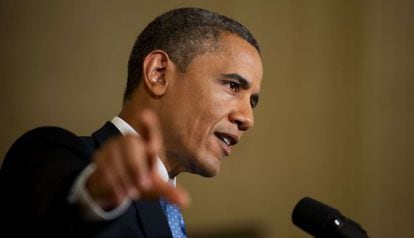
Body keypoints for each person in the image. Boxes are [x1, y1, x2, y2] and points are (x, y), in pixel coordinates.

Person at [0, 7, 263, 238]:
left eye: (252, 101)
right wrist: (94, 196)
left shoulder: (169, 213)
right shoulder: (49, 155)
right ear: (158, 73)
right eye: (233, 86)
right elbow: (56, 214)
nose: (247, 119)